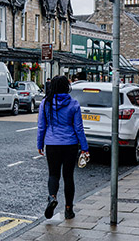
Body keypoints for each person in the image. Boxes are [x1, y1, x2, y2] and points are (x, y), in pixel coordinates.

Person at [37, 75, 89, 220]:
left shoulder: (45, 103)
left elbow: (41, 126)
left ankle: (52, 197)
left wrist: (40, 144)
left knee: (53, 174)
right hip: (70, 144)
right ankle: (68, 210)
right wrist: (85, 147)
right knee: (68, 177)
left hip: (52, 144)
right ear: (67, 87)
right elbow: (79, 128)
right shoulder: (73, 104)